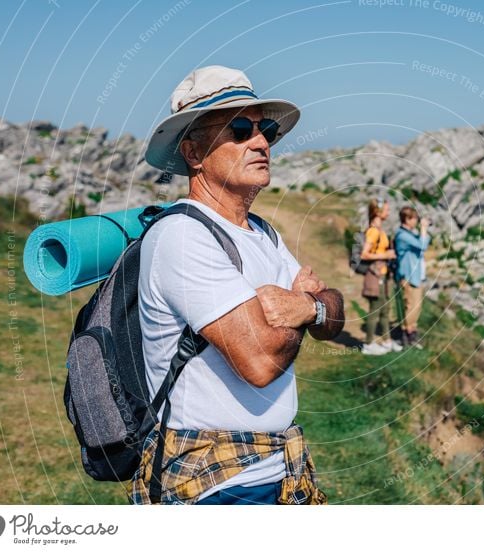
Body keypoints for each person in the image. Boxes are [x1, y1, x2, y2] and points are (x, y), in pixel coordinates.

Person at [133, 65, 344, 505]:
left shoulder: (262, 234)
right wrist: (309, 302)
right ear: (194, 153)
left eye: (264, 127)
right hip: (212, 484)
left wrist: (306, 307)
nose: (262, 141)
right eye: (240, 129)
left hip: (276, 468)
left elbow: (335, 313)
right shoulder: (183, 236)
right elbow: (261, 361)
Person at [359, 198, 403, 355]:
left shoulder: (379, 229)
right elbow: (364, 254)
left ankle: (387, 341)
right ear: (378, 212)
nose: (389, 212)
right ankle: (368, 344)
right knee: (375, 310)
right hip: (375, 276)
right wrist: (387, 254)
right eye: (386, 209)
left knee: (385, 310)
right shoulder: (373, 231)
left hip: (383, 276)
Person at [393, 206, 431, 349]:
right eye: (415, 218)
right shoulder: (402, 235)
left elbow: (424, 241)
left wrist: (422, 231)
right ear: (407, 219)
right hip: (408, 275)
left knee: (416, 306)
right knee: (411, 306)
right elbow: (422, 245)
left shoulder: (409, 233)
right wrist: (423, 229)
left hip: (416, 275)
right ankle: (407, 334)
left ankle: (411, 333)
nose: (417, 221)